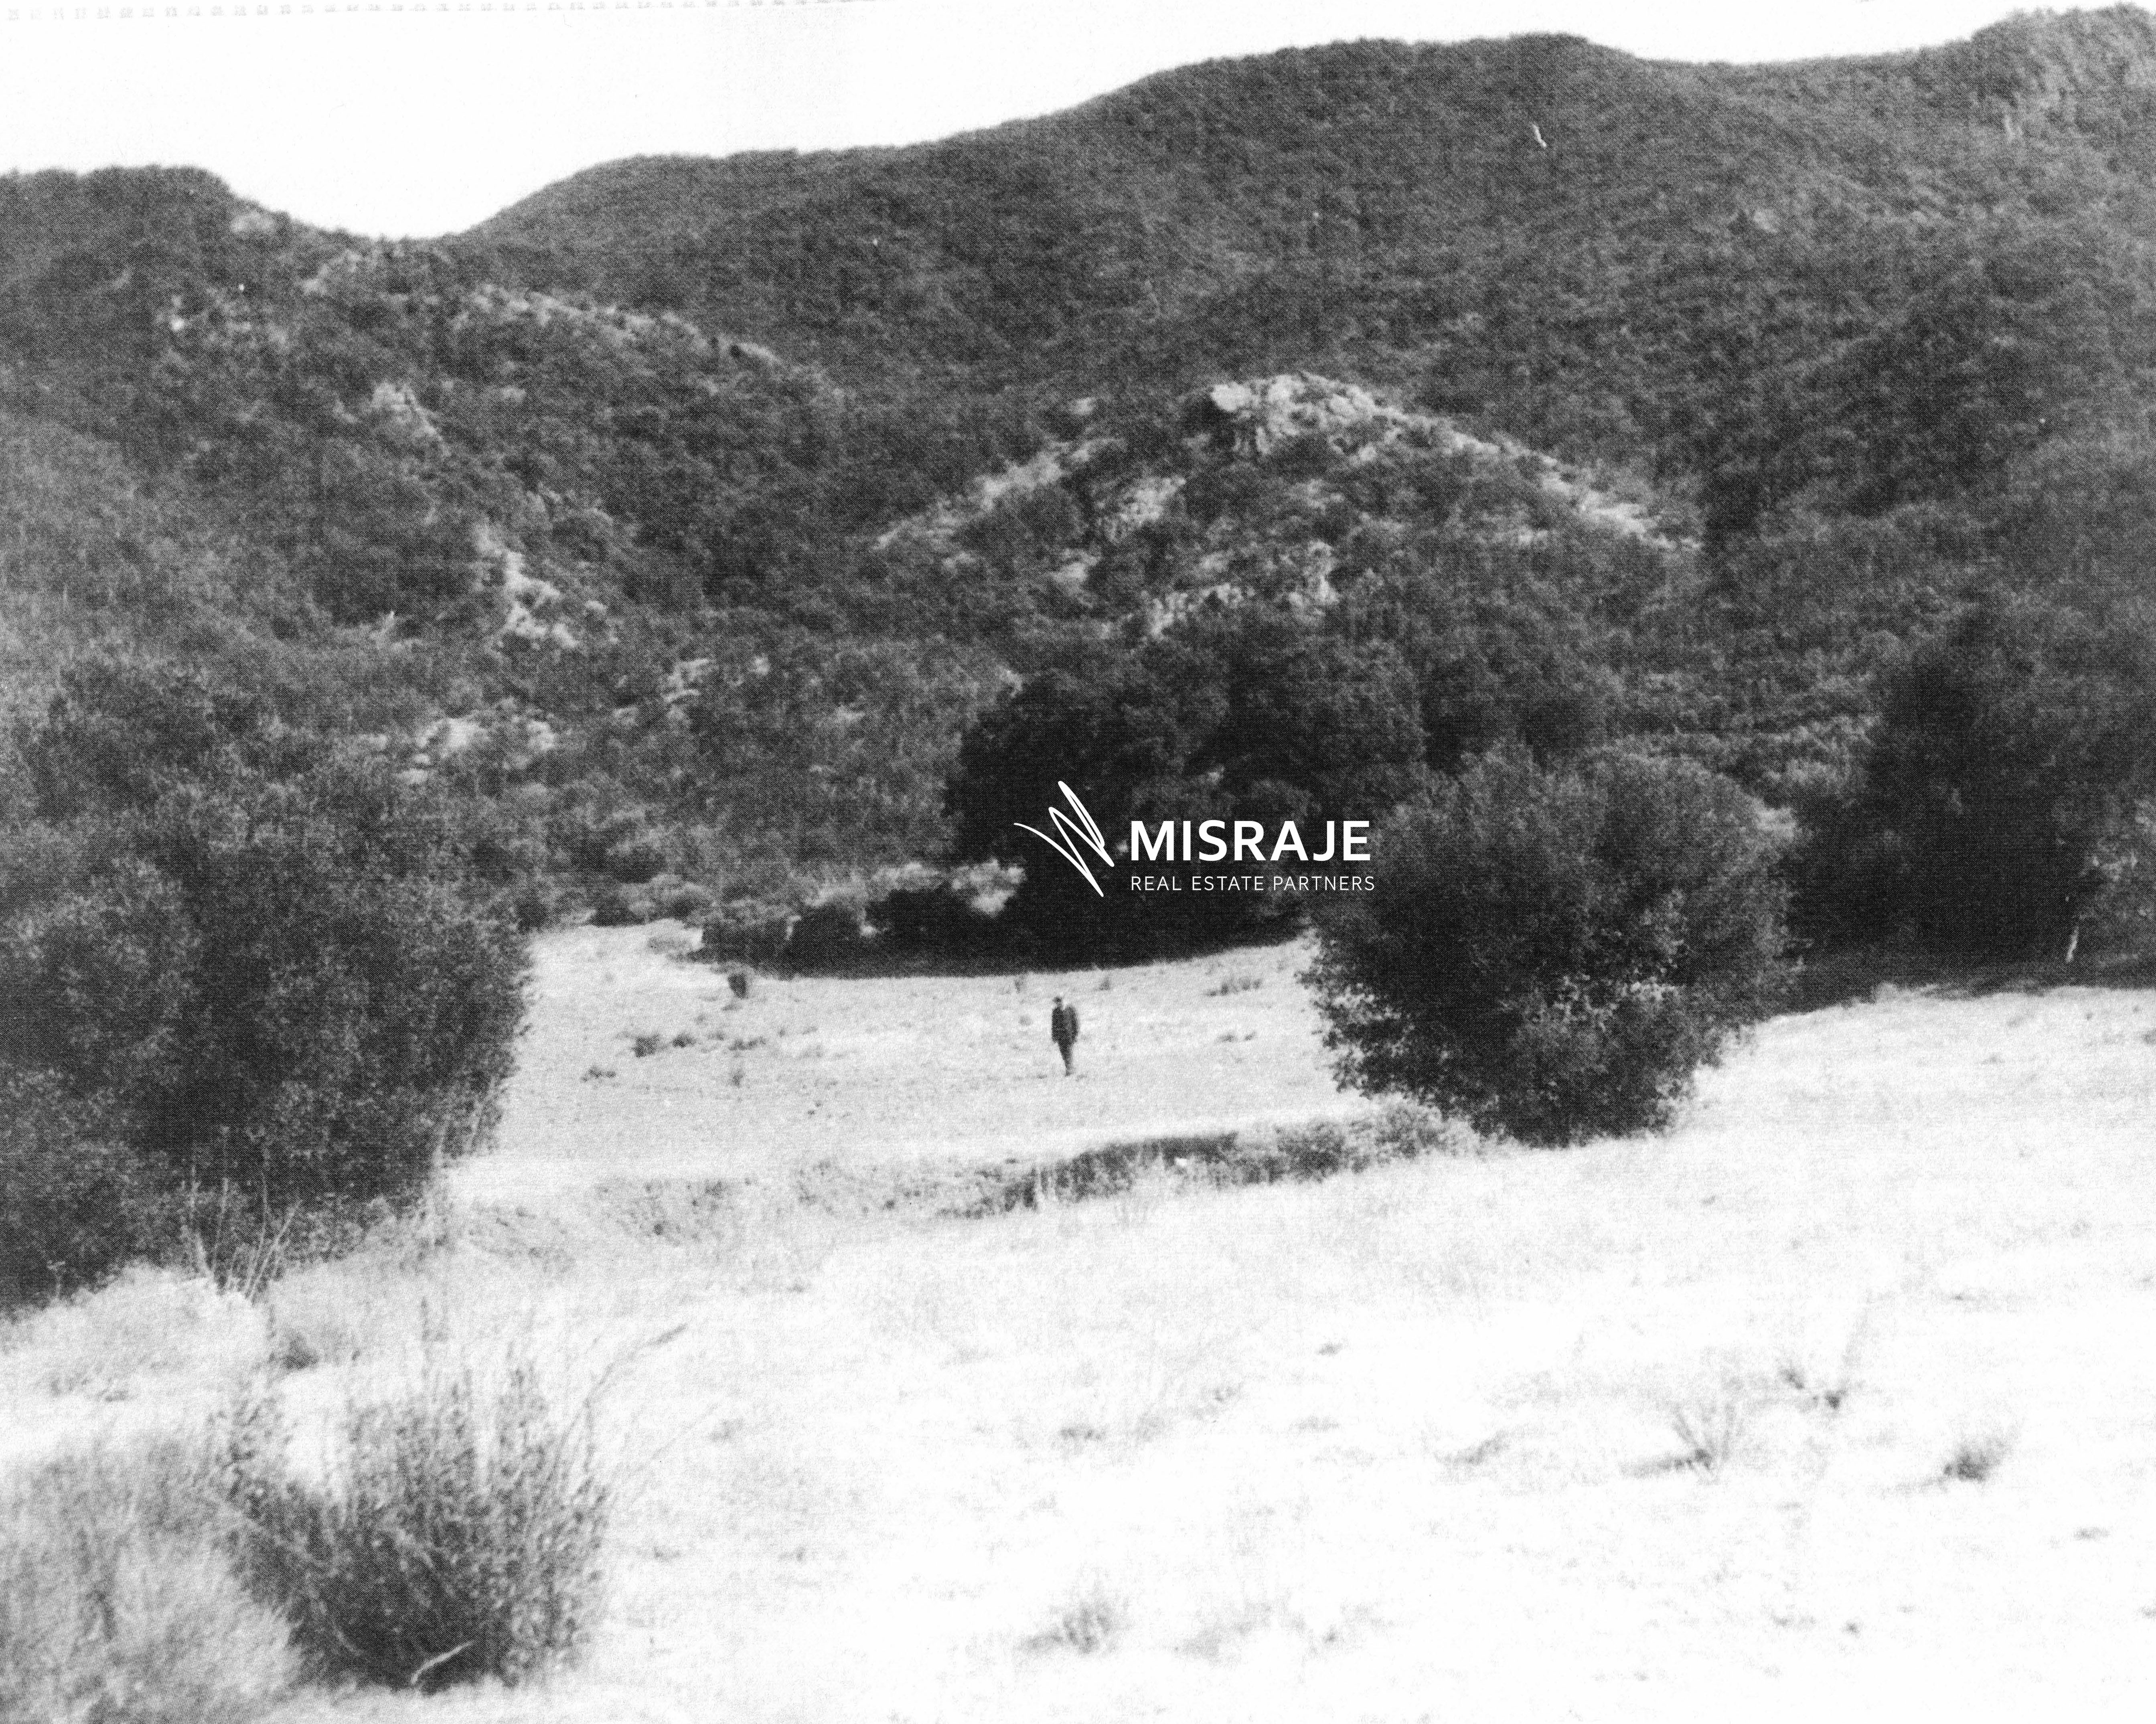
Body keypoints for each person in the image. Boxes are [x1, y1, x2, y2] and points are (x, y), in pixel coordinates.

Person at [1050, 995, 1079, 1075]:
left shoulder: (1070, 1009)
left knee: (1069, 1053)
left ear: (1063, 1001)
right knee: (1063, 1054)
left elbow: (1075, 1023)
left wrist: (1076, 1035)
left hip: (1070, 1037)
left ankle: (1069, 1070)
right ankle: (1070, 1068)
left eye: (1060, 1002)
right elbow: (1054, 1025)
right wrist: (1054, 1037)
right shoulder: (1055, 1012)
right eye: (1057, 1002)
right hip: (1060, 1038)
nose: (1059, 1004)